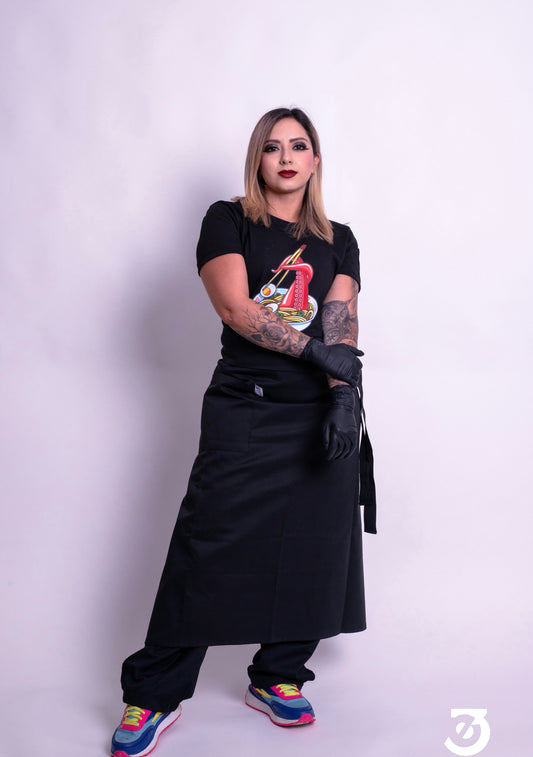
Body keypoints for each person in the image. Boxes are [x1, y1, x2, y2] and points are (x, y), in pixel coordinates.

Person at [111, 107, 376, 757]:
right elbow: (235, 307)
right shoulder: (227, 220)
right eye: (272, 147)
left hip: (317, 410)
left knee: (316, 545)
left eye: (299, 146)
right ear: (257, 159)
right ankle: (154, 693)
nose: (286, 157)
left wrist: (343, 397)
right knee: (209, 547)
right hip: (246, 408)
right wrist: (317, 354)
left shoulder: (339, 239)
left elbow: (339, 323)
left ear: (315, 160)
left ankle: (277, 673)